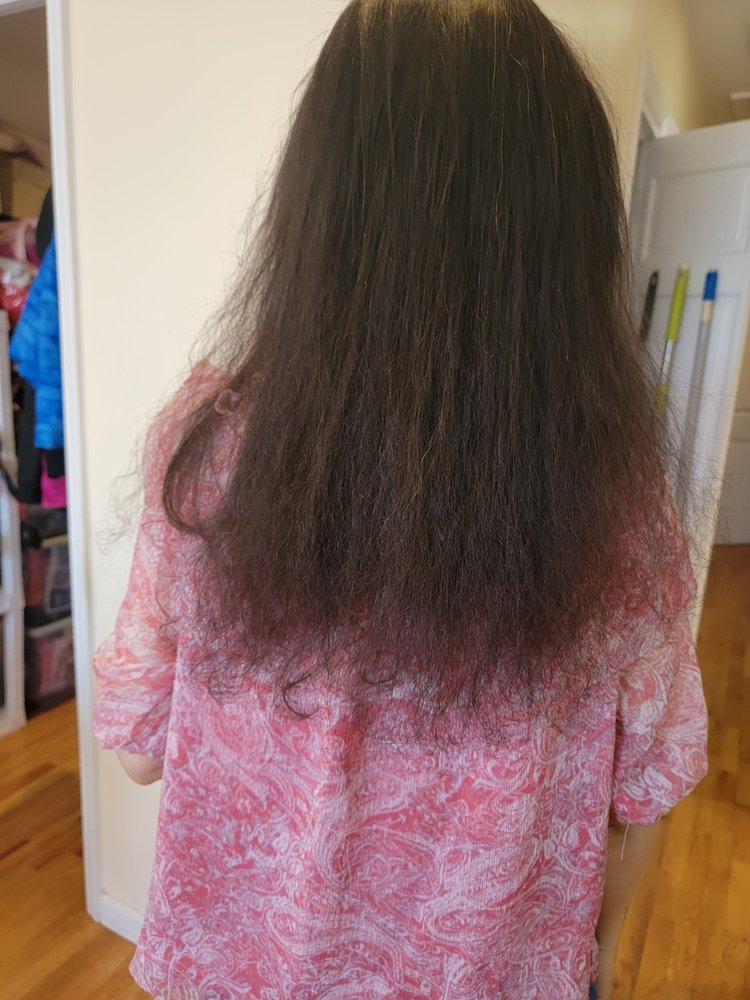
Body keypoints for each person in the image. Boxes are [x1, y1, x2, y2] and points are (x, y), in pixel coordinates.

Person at [93, 1, 709, 997]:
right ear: (569, 232)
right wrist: (591, 950)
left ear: (316, 205)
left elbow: (136, 750)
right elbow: (648, 786)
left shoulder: (206, 450)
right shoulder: (615, 495)